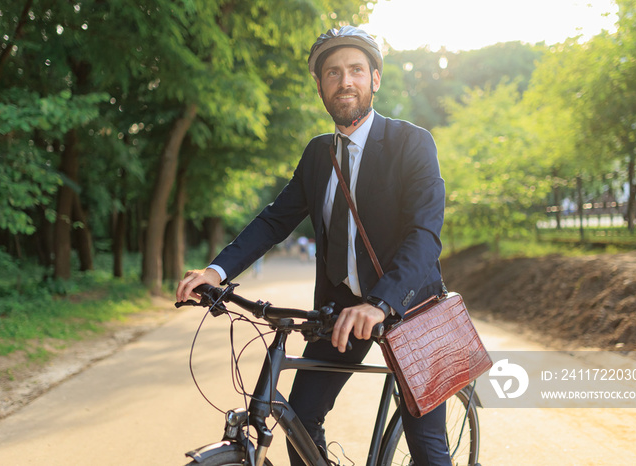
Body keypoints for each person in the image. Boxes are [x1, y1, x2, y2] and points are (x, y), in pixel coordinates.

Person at [176, 26, 450, 465]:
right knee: (300, 417)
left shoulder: (411, 143)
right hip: (340, 309)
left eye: (357, 70)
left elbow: (424, 235)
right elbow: (274, 221)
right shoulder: (317, 154)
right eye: (333, 73)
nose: (346, 81)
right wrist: (217, 272)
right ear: (320, 86)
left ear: (375, 79)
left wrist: (380, 303)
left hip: (410, 306)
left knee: (427, 446)